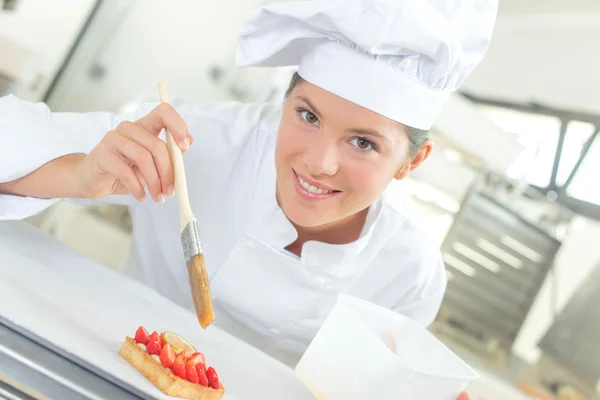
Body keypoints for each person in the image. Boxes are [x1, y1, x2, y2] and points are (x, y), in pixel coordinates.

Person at [0, 0, 497, 397]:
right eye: (307, 116)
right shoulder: (197, 141)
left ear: (412, 161)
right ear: (285, 98)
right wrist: (80, 174)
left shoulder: (410, 274)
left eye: (363, 142)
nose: (318, 163)